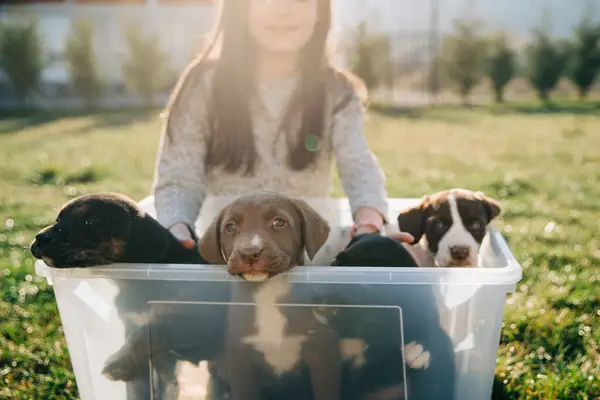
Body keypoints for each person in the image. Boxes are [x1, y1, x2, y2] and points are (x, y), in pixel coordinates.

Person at [152, 0, 407, 250]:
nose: (283, 8)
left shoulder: (337, 91)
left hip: (304, 257)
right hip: (227, 258)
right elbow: (179, 178)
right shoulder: (202, 86)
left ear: (320, 9)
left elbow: (358, 167)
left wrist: (368, 228)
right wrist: (178, 232)